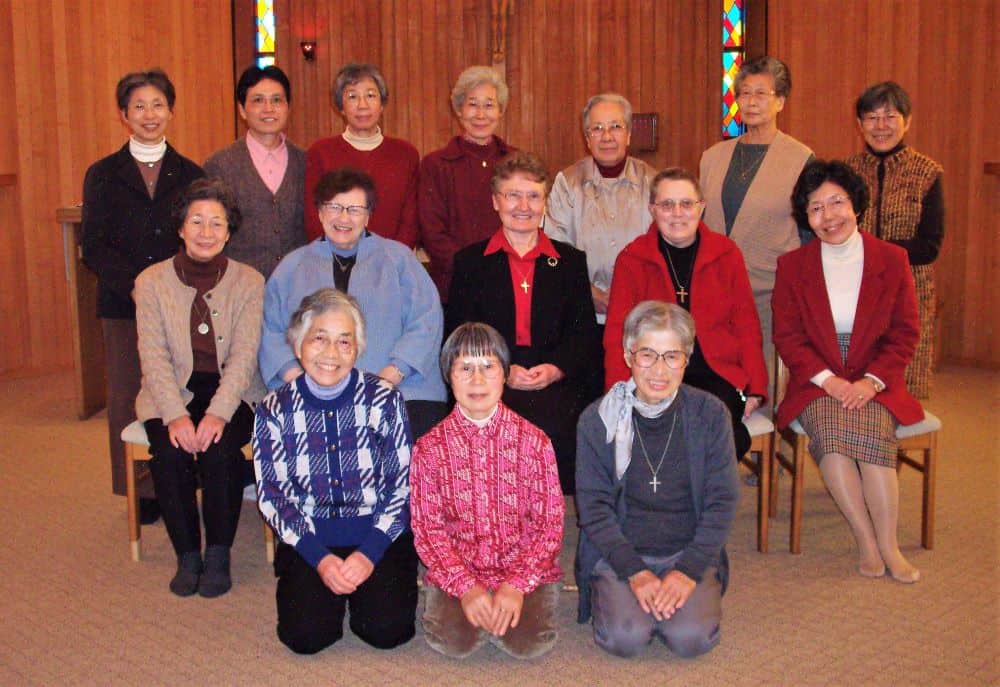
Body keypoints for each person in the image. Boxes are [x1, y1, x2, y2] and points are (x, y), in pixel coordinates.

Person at [774, 160, 923, 583]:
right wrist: (830, 381)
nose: (829, 216)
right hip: (816, 380)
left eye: (837, 202)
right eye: (816, 208)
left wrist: (871, 382)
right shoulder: (793, 266)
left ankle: (890, 544)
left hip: (877, 377)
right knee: (833, 440)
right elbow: (789, 338)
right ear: (807, 218)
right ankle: (866, 540)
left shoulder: (892, 259)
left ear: (856, 204)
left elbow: (905, 332)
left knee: (875, 438)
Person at [253, 289, 418, 653]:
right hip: (311, 537)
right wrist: (321, 559)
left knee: (386, 632)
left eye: (345, 342)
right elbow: (273, 495)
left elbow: (403, 486)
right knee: (305, 638)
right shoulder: (273, 409)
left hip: (377, 532)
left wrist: (368, 553)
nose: (331, 354)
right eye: (319, 339)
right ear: (298, 346)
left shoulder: (384, 399)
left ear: (358, 349)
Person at [575, 301, 739, 658]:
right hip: (620, 550)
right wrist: (635, 572)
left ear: (687, 359)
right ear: (628, 355)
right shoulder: (597, 420)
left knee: (691, 639)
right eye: (647, 355)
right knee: (626, 638)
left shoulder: (711, 414)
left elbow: (722, 501)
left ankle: (683, 596)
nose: (659, 370)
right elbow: (593, 507)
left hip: (687, 547)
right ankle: (623, 596)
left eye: (672, 356)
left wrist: (687, 571)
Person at [134, 178, 265, 597]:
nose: (206, 232)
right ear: (180, 227)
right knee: (169, 453)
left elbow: (244, 358)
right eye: (197, 221)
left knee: (221, 449)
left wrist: (218, 413)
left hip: (234, 391)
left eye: (217, 223)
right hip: (170, 390)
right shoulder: (151, 281)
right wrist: (174, 414)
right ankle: (188, 554)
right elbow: (152, 357)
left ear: (229, 231)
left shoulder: (250, 281)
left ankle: (219, 554)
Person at [82, 69, 204, 517]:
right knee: (128, 393)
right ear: (123, 115)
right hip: (123, 303)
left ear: (170, 110)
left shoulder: (191, 173)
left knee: (174, 390)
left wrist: (169, 289)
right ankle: (136, 492)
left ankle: (173, 483)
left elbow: (200, 238)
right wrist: (136, 286)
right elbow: (93, 244)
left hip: (178, 303)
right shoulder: (102, 174)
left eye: (157, 105)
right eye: (139, 106)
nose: (149, 114)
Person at [447, 151, 600, 493]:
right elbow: (460, 333)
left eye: (534, 196)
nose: (523, 206)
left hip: (555, 379)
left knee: (560, 424)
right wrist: (502, 370)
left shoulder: (571, 262)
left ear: (545, 203)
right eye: (513, 195)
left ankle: (543, 515)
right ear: (496, 202)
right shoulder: (471, 262)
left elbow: (584, 333)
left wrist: (556, 369)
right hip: (490, 377)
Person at [411, 323, 564, 659]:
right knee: (453, 643)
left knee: (528, 644)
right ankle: (464, 600)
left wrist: (515, 586)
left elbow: (549, 526)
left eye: (488, 367)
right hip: (459, 568)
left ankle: (523, 596)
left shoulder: (535, 442)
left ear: (505, 374)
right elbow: (427, 529)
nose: (477, 380)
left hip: (521, 568)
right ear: (448, 376)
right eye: (464, 368)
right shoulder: (429, 448)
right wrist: (466, 589)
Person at [260, 167, 447, 438]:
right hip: (312, 391)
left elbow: (426, 321)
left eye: (355, 209)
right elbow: (271, 331)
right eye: (335, 207)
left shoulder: (399, 259)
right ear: (320, 212)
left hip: (402, 389)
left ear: (368, 216)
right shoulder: (292, 266)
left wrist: (388, 378)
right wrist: (303, 383)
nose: (344, 218)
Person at [604, 168, 767, 460]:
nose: (677, 213)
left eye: (686, 204)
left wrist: (755, 386)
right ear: (653, 209)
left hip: (717, 373)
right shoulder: (632, 258)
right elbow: (617, 331)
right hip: (656, 372)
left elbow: (746, 324)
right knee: (677, 428)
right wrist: (618, 391)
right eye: (667, 205)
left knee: (704, 424)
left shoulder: (726, 253)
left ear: (701, 207)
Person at [699, 55, 814, 381]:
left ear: (780, 101)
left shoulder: (801, 158)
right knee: (718, 374)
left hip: (769, 291)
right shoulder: (712, 157)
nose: (750, 102)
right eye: (744, 93)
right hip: (716, 288)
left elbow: (808, 234)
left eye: (761, 94)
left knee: (762, 379)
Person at [845, 81, 943, 399]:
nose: (881, 126)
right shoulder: (847, 172)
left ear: (907, 121)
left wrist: (876, 251)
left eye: (890, 116)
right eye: (872, 118)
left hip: (910, 290)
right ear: (860, 125)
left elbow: (929, 246)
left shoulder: (927, 172)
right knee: (854, 376)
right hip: (854, 288)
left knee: (902, 382)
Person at [546, 93, 656, 327]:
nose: (606, 136)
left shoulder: (653, 181)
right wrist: (591, 293)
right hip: (584, 311)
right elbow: (555, 249)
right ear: (587, 138)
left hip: (644, 313)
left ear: (628, 135)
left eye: (615, 126)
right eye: (597, 128)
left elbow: (662, 247)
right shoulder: (567, 182)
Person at [419, 66, 516, 301]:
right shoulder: (436, 164)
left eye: (489, 105)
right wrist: (473, 268)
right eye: (472, 104)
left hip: (510, 280)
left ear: (501, 111)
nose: (480, 114)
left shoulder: (516, 161)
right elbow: (432, 231)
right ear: (459, 110)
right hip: (455, 284)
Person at [204, 65, 306, 278]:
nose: (268, 108)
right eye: (258, 100)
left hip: (297, 287)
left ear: (288, 107)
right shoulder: (220, 165)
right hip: (239, 288)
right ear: (242, 109)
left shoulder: (306, 162)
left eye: (277, 100)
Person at [304, 63, 418, 247]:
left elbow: (410, 221)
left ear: (382, 104)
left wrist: (392, 260)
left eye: (371, 95)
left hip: (391, 264)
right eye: (352, 96)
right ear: (340, 107)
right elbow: (313, 217)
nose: (362, 105)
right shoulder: (321, 152)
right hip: (333, 262)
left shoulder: (406, 154)